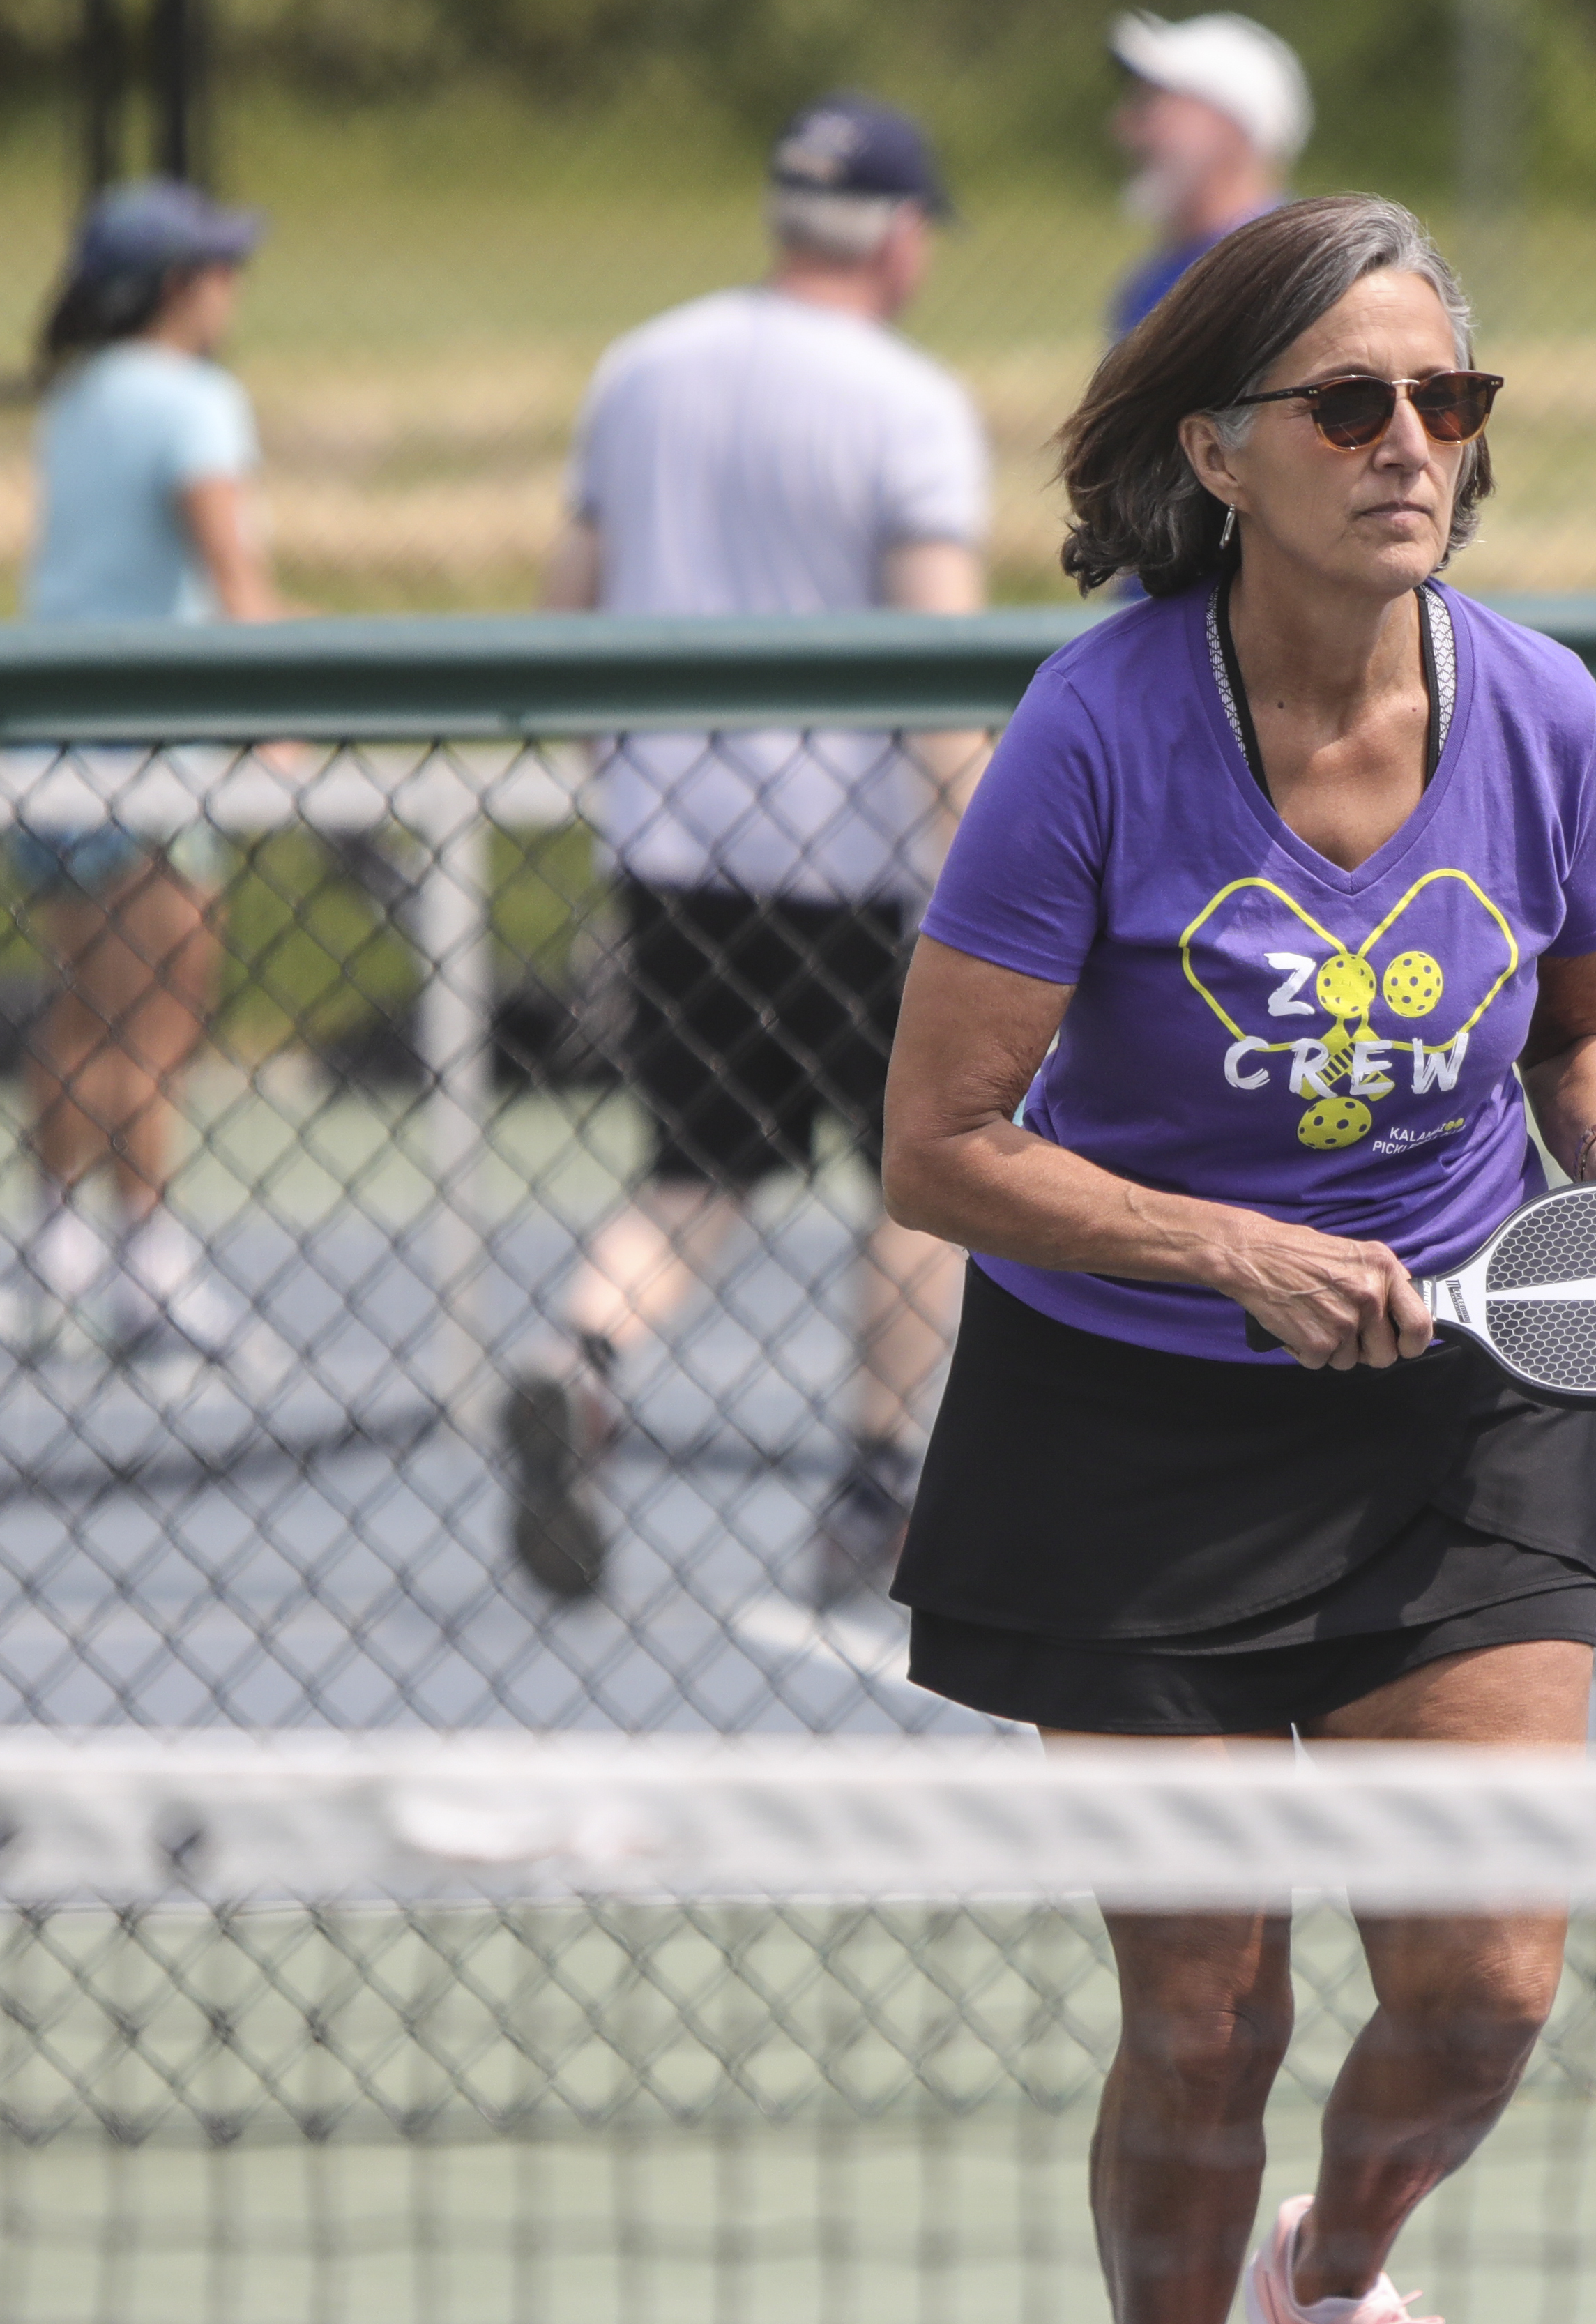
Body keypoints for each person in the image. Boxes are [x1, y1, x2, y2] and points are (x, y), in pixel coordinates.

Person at [874, 194, 1596, 2324]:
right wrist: (1227, 1247)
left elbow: (1577, 1033)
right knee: (1209, 2003)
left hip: (1461, 1411)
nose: (1410, 446)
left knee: (1485, 1981)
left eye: (1446, 403)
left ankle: (1337, 2287)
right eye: (1352, 405)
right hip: (1127, 1430)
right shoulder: (1098, 730)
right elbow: (942, 1143)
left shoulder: (1546, 714)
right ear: (1220, 450)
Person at [501, 96, 994, 1609]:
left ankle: (581, 1348)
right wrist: (986, 846)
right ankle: (871, 1478)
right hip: (854, 861)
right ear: (899, 238)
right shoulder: (904, 404)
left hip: (677, 843)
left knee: (700, 1161)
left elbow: (567, 607)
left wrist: (620, 777)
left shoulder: (638, 368)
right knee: (924, 1176)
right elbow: (931, 664)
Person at [12, 177, 284, 1361]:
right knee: (156, 1028)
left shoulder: (74, 403)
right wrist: (287, 726)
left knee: (83, 1015)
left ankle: (54, 1242)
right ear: (178, 289)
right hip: (149, 762)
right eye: (218, 267)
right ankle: (149, 1269)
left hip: (44, 748)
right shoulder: (195, 403)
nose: (232, 287)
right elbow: (233, 578)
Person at [1105, 12, 1309, 342]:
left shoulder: (1294, 274)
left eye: (1151, 105)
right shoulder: (1150, 284)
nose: (1126, 129)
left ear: (1230, 127)